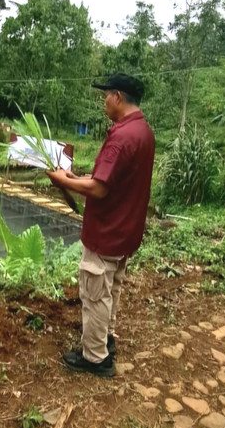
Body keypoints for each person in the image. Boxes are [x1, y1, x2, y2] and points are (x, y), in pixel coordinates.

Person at [47, 72, 155, 377]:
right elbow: (106, 181)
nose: (103, 101)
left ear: (118, 97)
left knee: (95, 294)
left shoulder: (120, 137)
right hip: (126, 231)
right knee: (110, 288)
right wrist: (72, 178)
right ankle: (105, 339)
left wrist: (62, 179)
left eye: (106, 95)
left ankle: (95, 358)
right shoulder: (143, 131)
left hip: (107, 231)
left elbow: (99, 189)